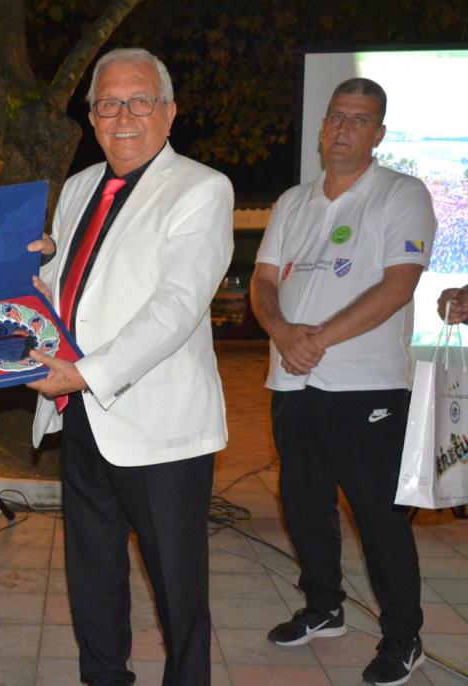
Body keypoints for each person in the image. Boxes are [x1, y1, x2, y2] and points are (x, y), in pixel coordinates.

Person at [27, 48, 234, 686]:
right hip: (80, 415)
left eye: (139, 101)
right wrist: (30, 267)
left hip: (158, 421)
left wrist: (86, 373)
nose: (123, 116)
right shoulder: (80, 188)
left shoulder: (202, 188)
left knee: (177, 583)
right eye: (108, 104)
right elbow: (76, 286)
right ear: (91, 117)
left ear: (169, 112)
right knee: (92, 570)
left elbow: (175, 307)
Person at [250, 77, 436, 686]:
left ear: (378, 134)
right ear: (322, 126)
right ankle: (324, 607)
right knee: (304, 506)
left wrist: (316, 339)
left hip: (366, 386)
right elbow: (264, 281)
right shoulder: (293, 201)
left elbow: (398, 286)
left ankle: (404, 638)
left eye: (358, 120)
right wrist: (282, 333)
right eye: (335, 116)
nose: (342, 128)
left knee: (378, 518)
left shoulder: (401, 193)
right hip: (291, 381)